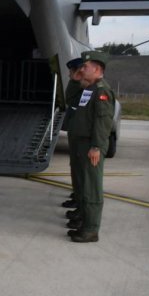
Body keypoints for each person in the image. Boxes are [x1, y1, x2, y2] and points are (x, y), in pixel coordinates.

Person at [66, 51, 115, 243]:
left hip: (90, 145)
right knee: (83, 183)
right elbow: (70, 100)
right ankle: (85, 223)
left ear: (97, 69)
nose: (82, 69)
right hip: (81, 143)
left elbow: (103, 122)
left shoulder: (102, 91)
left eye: (85, 66)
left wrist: (96, 146)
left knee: (91, 187)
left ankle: (91, 230)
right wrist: (75, 80)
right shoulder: (89, 88)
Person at [60, 57, 84, 213]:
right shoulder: (80, 87)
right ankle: (78, 195)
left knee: (81, 169)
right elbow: (69, 99)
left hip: (82, 134)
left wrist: (75, 82)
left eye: (71, 72)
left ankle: (80, 199)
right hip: (76, 132)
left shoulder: (87, 89)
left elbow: (71, 100)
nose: (69, 75)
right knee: (76, 167)